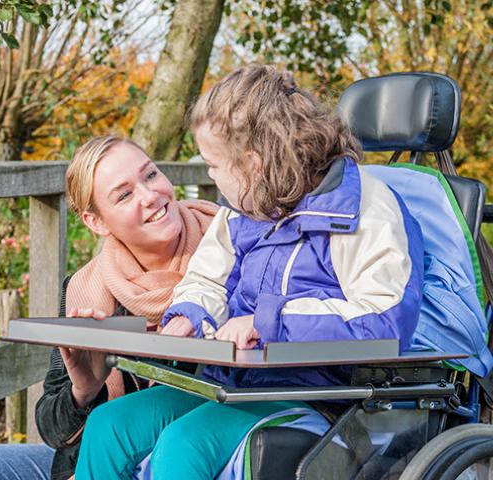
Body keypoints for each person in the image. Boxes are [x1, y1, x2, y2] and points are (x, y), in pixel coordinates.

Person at [75, 64, 425, 480]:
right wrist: (189, 314)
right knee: (109, 425)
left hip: (323, 394)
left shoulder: (366, 207)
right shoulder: (244, 210)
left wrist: (266, 322)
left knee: (185, 445)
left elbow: (383, 322)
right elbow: (208, 279)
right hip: (238, 384)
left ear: (252, 164)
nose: (211, 178)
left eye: (212, 166)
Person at [0, 135, 218, 480]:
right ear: (96, 222)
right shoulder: (87, 289)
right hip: (95, 460)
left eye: (151, 175)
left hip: (194, 455)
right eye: (125, 195)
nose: (150, 195)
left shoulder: (230, 253)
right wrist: (84, 390)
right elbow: (52, 429)